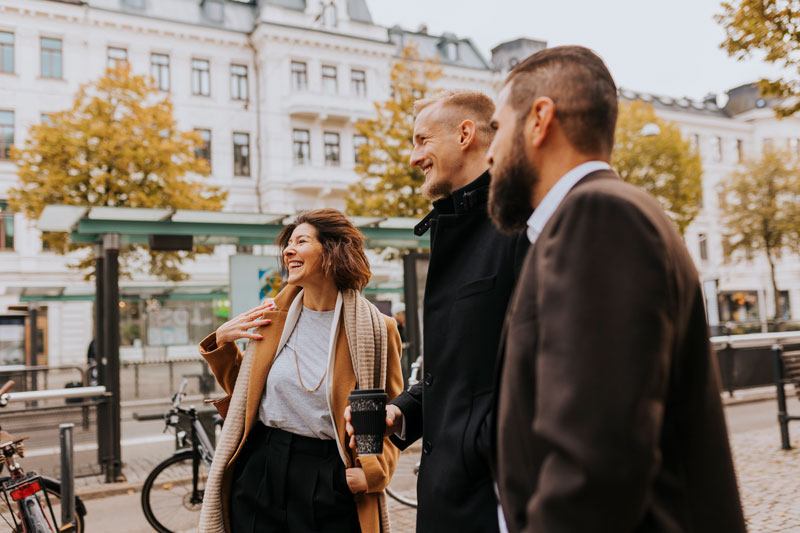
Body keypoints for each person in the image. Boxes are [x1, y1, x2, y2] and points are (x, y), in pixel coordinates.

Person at [486, 45, 746, 532]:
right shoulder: (598, 215)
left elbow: (595, 463)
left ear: (540, 120)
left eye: (498, 128)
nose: (490, 151)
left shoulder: (598, 217)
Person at [347, 90, 528, 533]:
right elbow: (464, 369)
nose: (414, 157)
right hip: (451, 497)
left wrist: (479, 452)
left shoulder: (524, 227)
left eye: (422, 140)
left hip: (494, 500)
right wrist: (402, 412)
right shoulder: (456, 226)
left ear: (466, 134)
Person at [197, 209, 404, 533]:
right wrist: (223, 345)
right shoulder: (271, 318)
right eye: (288, 243)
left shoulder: (376, 330)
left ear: (333, 250)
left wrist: (374, 474)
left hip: (328, 472)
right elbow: (249, 397)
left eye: (301, 241)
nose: (288, 250)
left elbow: (391, 411)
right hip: (261, 467)